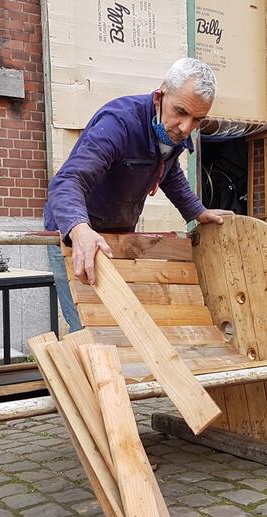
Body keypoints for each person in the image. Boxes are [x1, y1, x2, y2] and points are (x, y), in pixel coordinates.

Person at [43, 58, 232, 331]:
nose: (186, 128)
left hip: (119, 234)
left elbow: (170, 175)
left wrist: (197, 212)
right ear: (160, 95)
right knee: (89, 328)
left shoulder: (171, 134)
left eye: (198, 120)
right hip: (75, 233)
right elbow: (68, 180)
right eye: (180, 112)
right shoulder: (119, 124)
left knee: (119, 325)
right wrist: (79, 229)